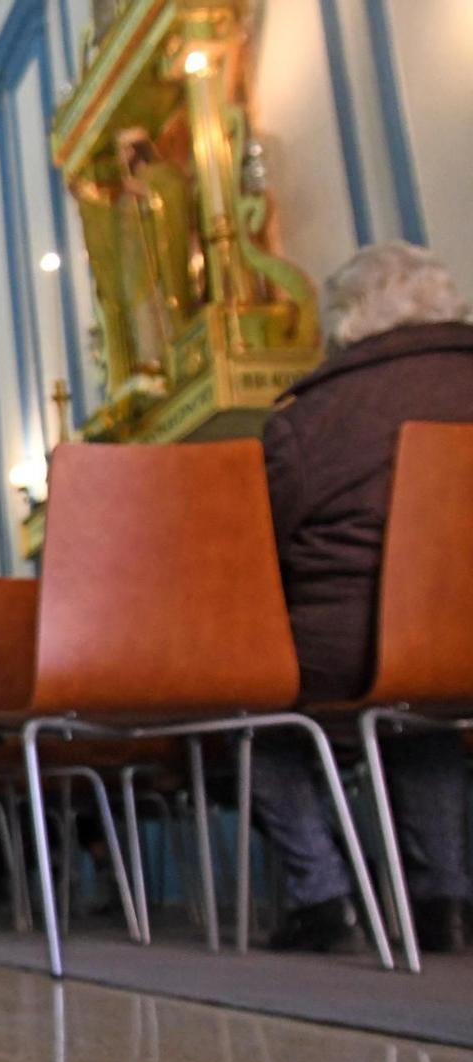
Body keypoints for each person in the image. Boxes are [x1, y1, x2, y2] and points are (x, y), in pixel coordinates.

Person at [254, 242, 473, 954]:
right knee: (428, 702)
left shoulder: (309, 418)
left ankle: (324, 897)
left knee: (250, 707)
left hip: (350, 647)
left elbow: (263, 553)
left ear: (345, 319)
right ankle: (443, 899)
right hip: (458, 644)